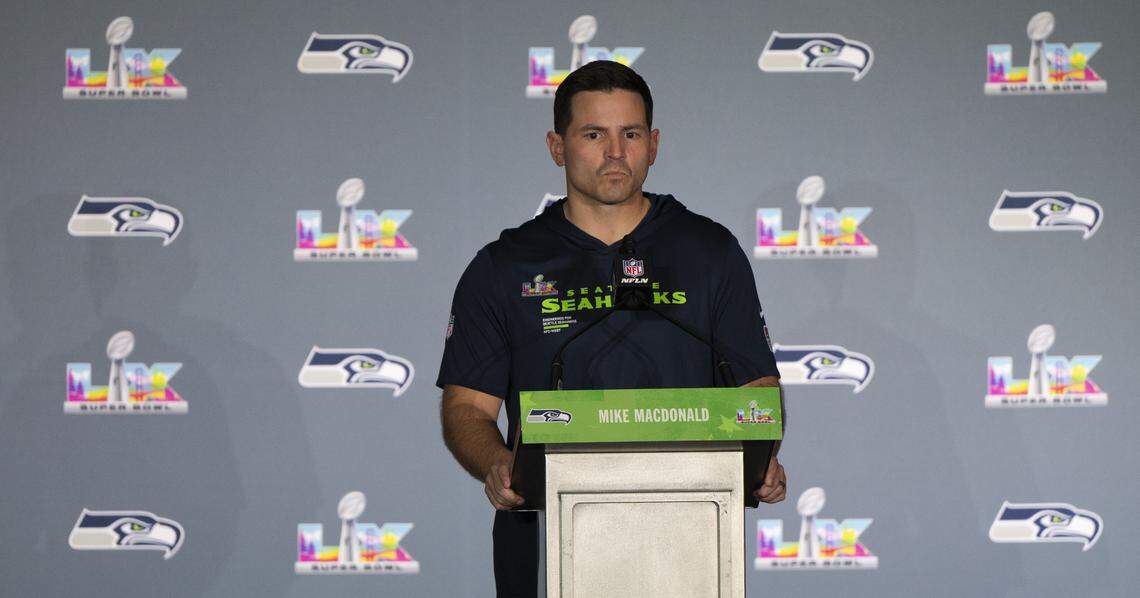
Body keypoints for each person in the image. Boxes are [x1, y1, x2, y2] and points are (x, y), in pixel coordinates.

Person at [437, 60, 786, 598]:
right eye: (594, 134)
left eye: (631, 133)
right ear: (557, 146)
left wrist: (760, 452)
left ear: (655, 144)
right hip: (544, 538)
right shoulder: (504, 266)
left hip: (688, 538)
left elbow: (757, 390)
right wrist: (499, 465)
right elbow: (467, 408)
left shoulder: (709, 252)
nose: (615, 152)